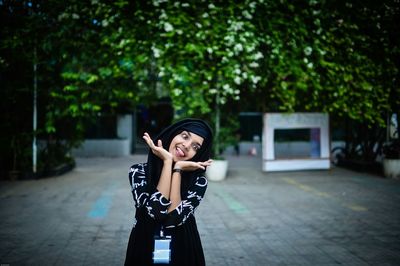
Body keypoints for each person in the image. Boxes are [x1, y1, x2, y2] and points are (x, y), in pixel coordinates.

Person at [125, 118, 213, 266]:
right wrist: (167, 162)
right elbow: (156, 211)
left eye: (195, 146)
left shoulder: (198, 182)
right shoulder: (138, 171)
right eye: (185, 136)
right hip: (144, 243)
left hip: (183, 247)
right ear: (173, 134)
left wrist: (177, 169)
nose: (186, 146)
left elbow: (173, 219)